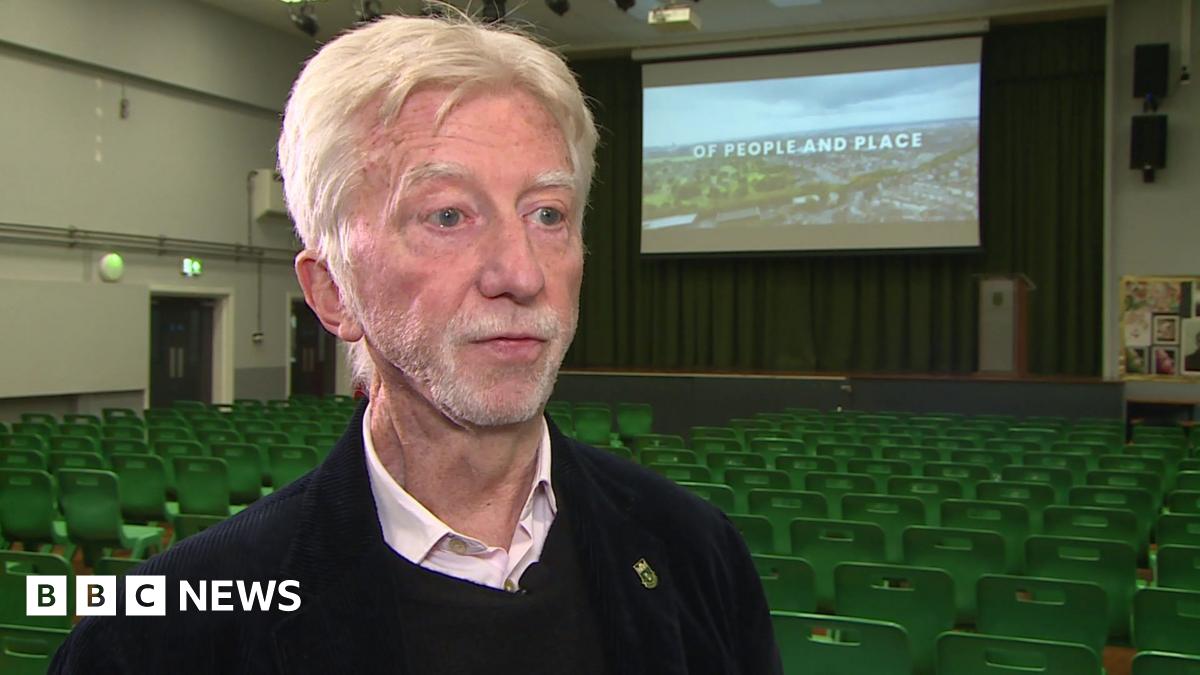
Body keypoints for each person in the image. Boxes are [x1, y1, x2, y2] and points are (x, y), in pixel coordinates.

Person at [50, 13, 780, 675]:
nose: (521, 273)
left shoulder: (697, 551)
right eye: (448, 215)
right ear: (332, 291)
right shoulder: (155, 637)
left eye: (548, 214)